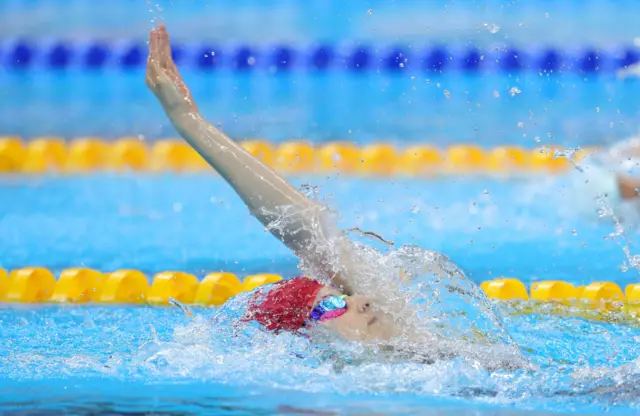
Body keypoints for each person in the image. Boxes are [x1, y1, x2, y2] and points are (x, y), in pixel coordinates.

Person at [146, 24, 529, 370]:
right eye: (330, 305)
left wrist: (190, 121)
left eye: (343, 295)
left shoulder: (412, 338)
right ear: (302, 342)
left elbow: (304, 224)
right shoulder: (344, 380)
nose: (361, 300)